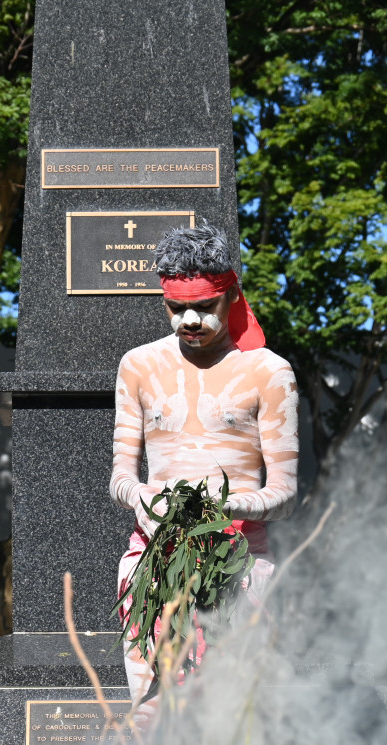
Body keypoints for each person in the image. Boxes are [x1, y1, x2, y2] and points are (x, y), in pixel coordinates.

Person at [109, 222, 299, 705]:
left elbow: (285, 494)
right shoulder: (137, 366)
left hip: (239, 562)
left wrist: (225, 505)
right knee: (150, 716)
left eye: (204, 307)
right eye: (177, 308)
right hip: (152, 563)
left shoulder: (268, 372)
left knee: (230, 724)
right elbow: (121, 477)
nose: (189, 320)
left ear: (231, 295)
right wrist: (140, 497)